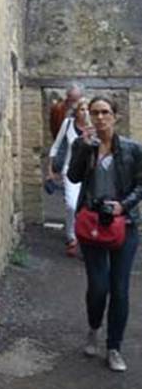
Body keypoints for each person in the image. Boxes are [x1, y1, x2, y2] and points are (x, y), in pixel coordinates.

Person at [68, 96, 142, 372]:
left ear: (115, 116)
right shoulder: (84, 145)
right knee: (98, 286)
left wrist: (124, 205)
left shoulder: (133, 150)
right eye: (95, 112)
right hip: (93, 224)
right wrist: (83, 150)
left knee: (120, 289)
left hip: (126, 226)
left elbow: (140, 184)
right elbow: (74, 178)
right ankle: (94, 328)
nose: (99, 118)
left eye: (105, 112)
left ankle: (114, 347)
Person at [48, 97, 91, 256]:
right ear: (76, 111)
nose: (85, 112)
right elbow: (56, 146)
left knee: (87, 207)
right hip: (70, 170)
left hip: (90, 172)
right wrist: (50, 170)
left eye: (87, 109)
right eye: (82, 109)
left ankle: (87, 238)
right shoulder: (68, 124)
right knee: (72, 205)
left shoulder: (94, 127)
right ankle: (72, 236)